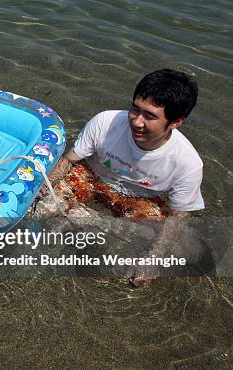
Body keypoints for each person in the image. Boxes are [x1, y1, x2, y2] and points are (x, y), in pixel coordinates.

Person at [46, 69, 204, 285]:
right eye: (134, 109)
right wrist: (40, 190)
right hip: (90, 178)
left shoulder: (188, 163)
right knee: (46, 206)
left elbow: (179, 215)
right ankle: (79, 224)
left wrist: (153, 258)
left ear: (176, 121)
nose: (137, 122)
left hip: (138, 200)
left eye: (149, 116)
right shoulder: (105, 122)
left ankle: (86, 224)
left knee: (185, 250)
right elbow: (68, 162)